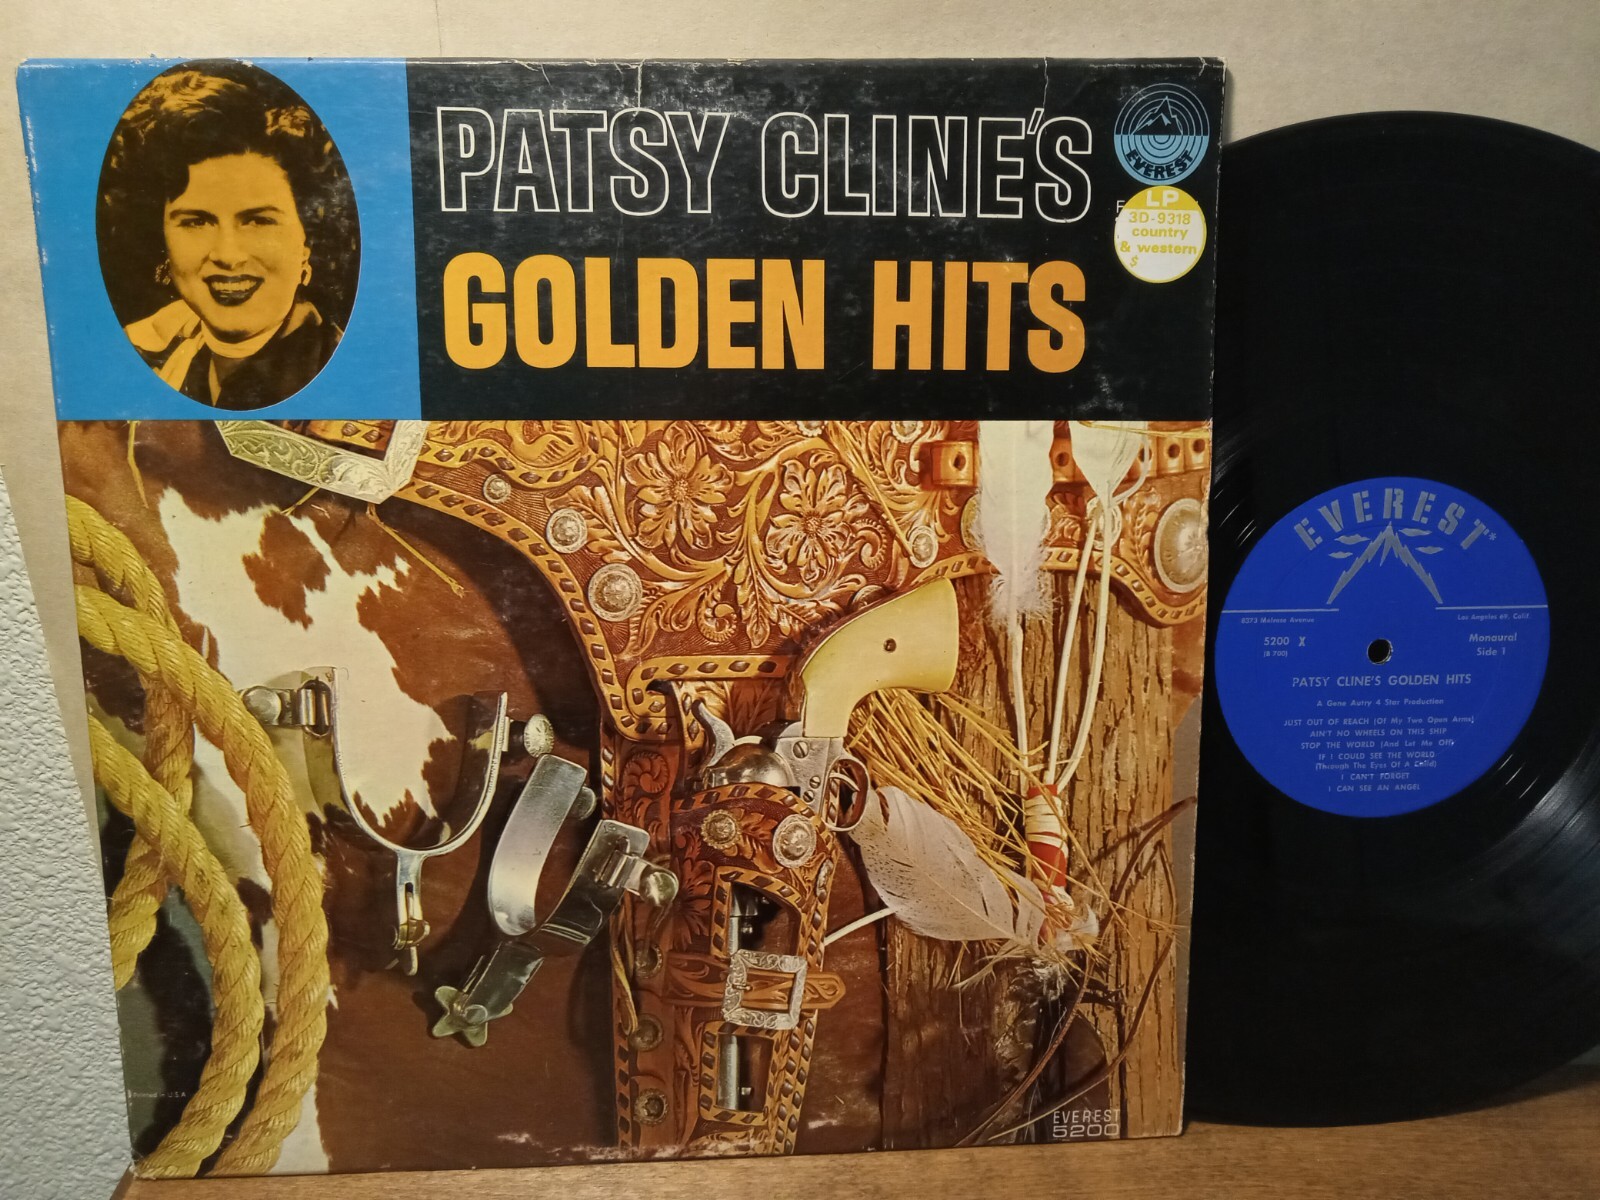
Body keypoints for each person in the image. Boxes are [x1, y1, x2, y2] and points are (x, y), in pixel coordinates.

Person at [98, 62, 357, 410]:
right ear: (160, 236)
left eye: (258, 221)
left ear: (308, 238)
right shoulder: (144, 352)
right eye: (196, 222)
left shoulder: (340, 377)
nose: (228, 255)